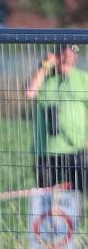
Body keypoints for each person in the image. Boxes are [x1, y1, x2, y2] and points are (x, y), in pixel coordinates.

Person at [26, 43, 88, 192]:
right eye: (62, 55)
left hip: (76, 148)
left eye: (70, 55)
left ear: (75, 58)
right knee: (47, 197)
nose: (66, 59)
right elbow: (30, 92)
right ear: (54, 57)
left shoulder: (83, 79)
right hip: (47, 150)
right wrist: (45, 66)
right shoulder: (44, 76)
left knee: (77, 196)